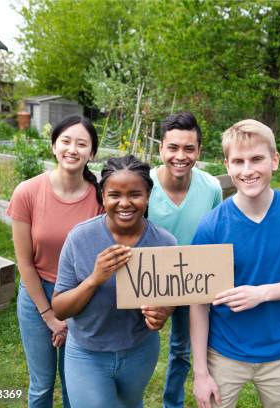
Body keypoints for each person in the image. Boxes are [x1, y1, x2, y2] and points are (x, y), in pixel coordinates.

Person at [190, 119, 280, 408]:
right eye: (238, 161)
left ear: (274, 160)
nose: (248, 170)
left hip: (279, 354)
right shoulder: (212, 226)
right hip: (223, 353)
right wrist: (200, 373)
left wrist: (262, 293)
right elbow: (198, 304)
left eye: (257, 159)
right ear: (227, 166)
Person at [52, 155, 176, 408]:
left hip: (139, 351)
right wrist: (94, 279)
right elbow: (60, 308)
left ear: (148, 195)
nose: (124, 203)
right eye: (114, 195)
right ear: (103, 195)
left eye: (135, 194)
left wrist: (162, 313)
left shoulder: (165, 243)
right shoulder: (80, 238)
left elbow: (169, 298)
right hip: (87, 352)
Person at [7, 115, 102, 408]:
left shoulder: (100, 196)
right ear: (53, 146)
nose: (73, 149)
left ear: (92, 153)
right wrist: (49, 315)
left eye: (82, 144)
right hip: (37, 296)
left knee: (76, 384)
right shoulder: (27, 192)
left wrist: (70, 313)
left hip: (82, 296)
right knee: (41, 385)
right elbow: (24, 263)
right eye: (66, 141)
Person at [147, 111, 222, 408]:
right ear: (161, 149)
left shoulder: (212, 188)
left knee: (181, 350)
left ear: (199, 151)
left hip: (193, 284)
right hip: (149, 281)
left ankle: (172, 403)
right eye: (173, 148)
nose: (181, 156)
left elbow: (217, 235)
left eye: (189, 149)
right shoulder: (146, 184)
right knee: (139, 345)